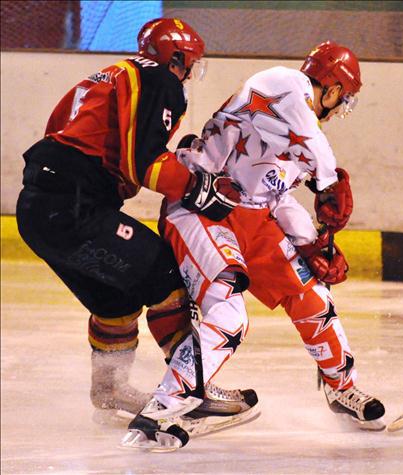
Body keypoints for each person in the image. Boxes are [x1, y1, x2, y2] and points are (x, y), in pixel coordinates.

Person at [121, 40, 384, 451]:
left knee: (313, 298)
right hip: (202, 209)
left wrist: (313, 244)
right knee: (229, 316)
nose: (338, 109)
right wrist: (329, 179)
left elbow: (276, 196)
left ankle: (342, 389)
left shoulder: (297, 134)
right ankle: (159, 411)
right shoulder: (282, 83)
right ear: (332, 89)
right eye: (342, 98)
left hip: (253, 218)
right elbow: (312, 141)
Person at [15, 17, 256, 428]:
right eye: (189, 63)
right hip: (76, 208)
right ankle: (191, 388)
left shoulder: (107, 75)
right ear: (177, 57)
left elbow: (59, 133)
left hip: (37, 209)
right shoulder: (159, 78)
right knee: (164, 274)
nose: (188, 74)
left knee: (116, 301)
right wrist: (198, 187)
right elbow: (145, 164)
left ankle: (110, 388)